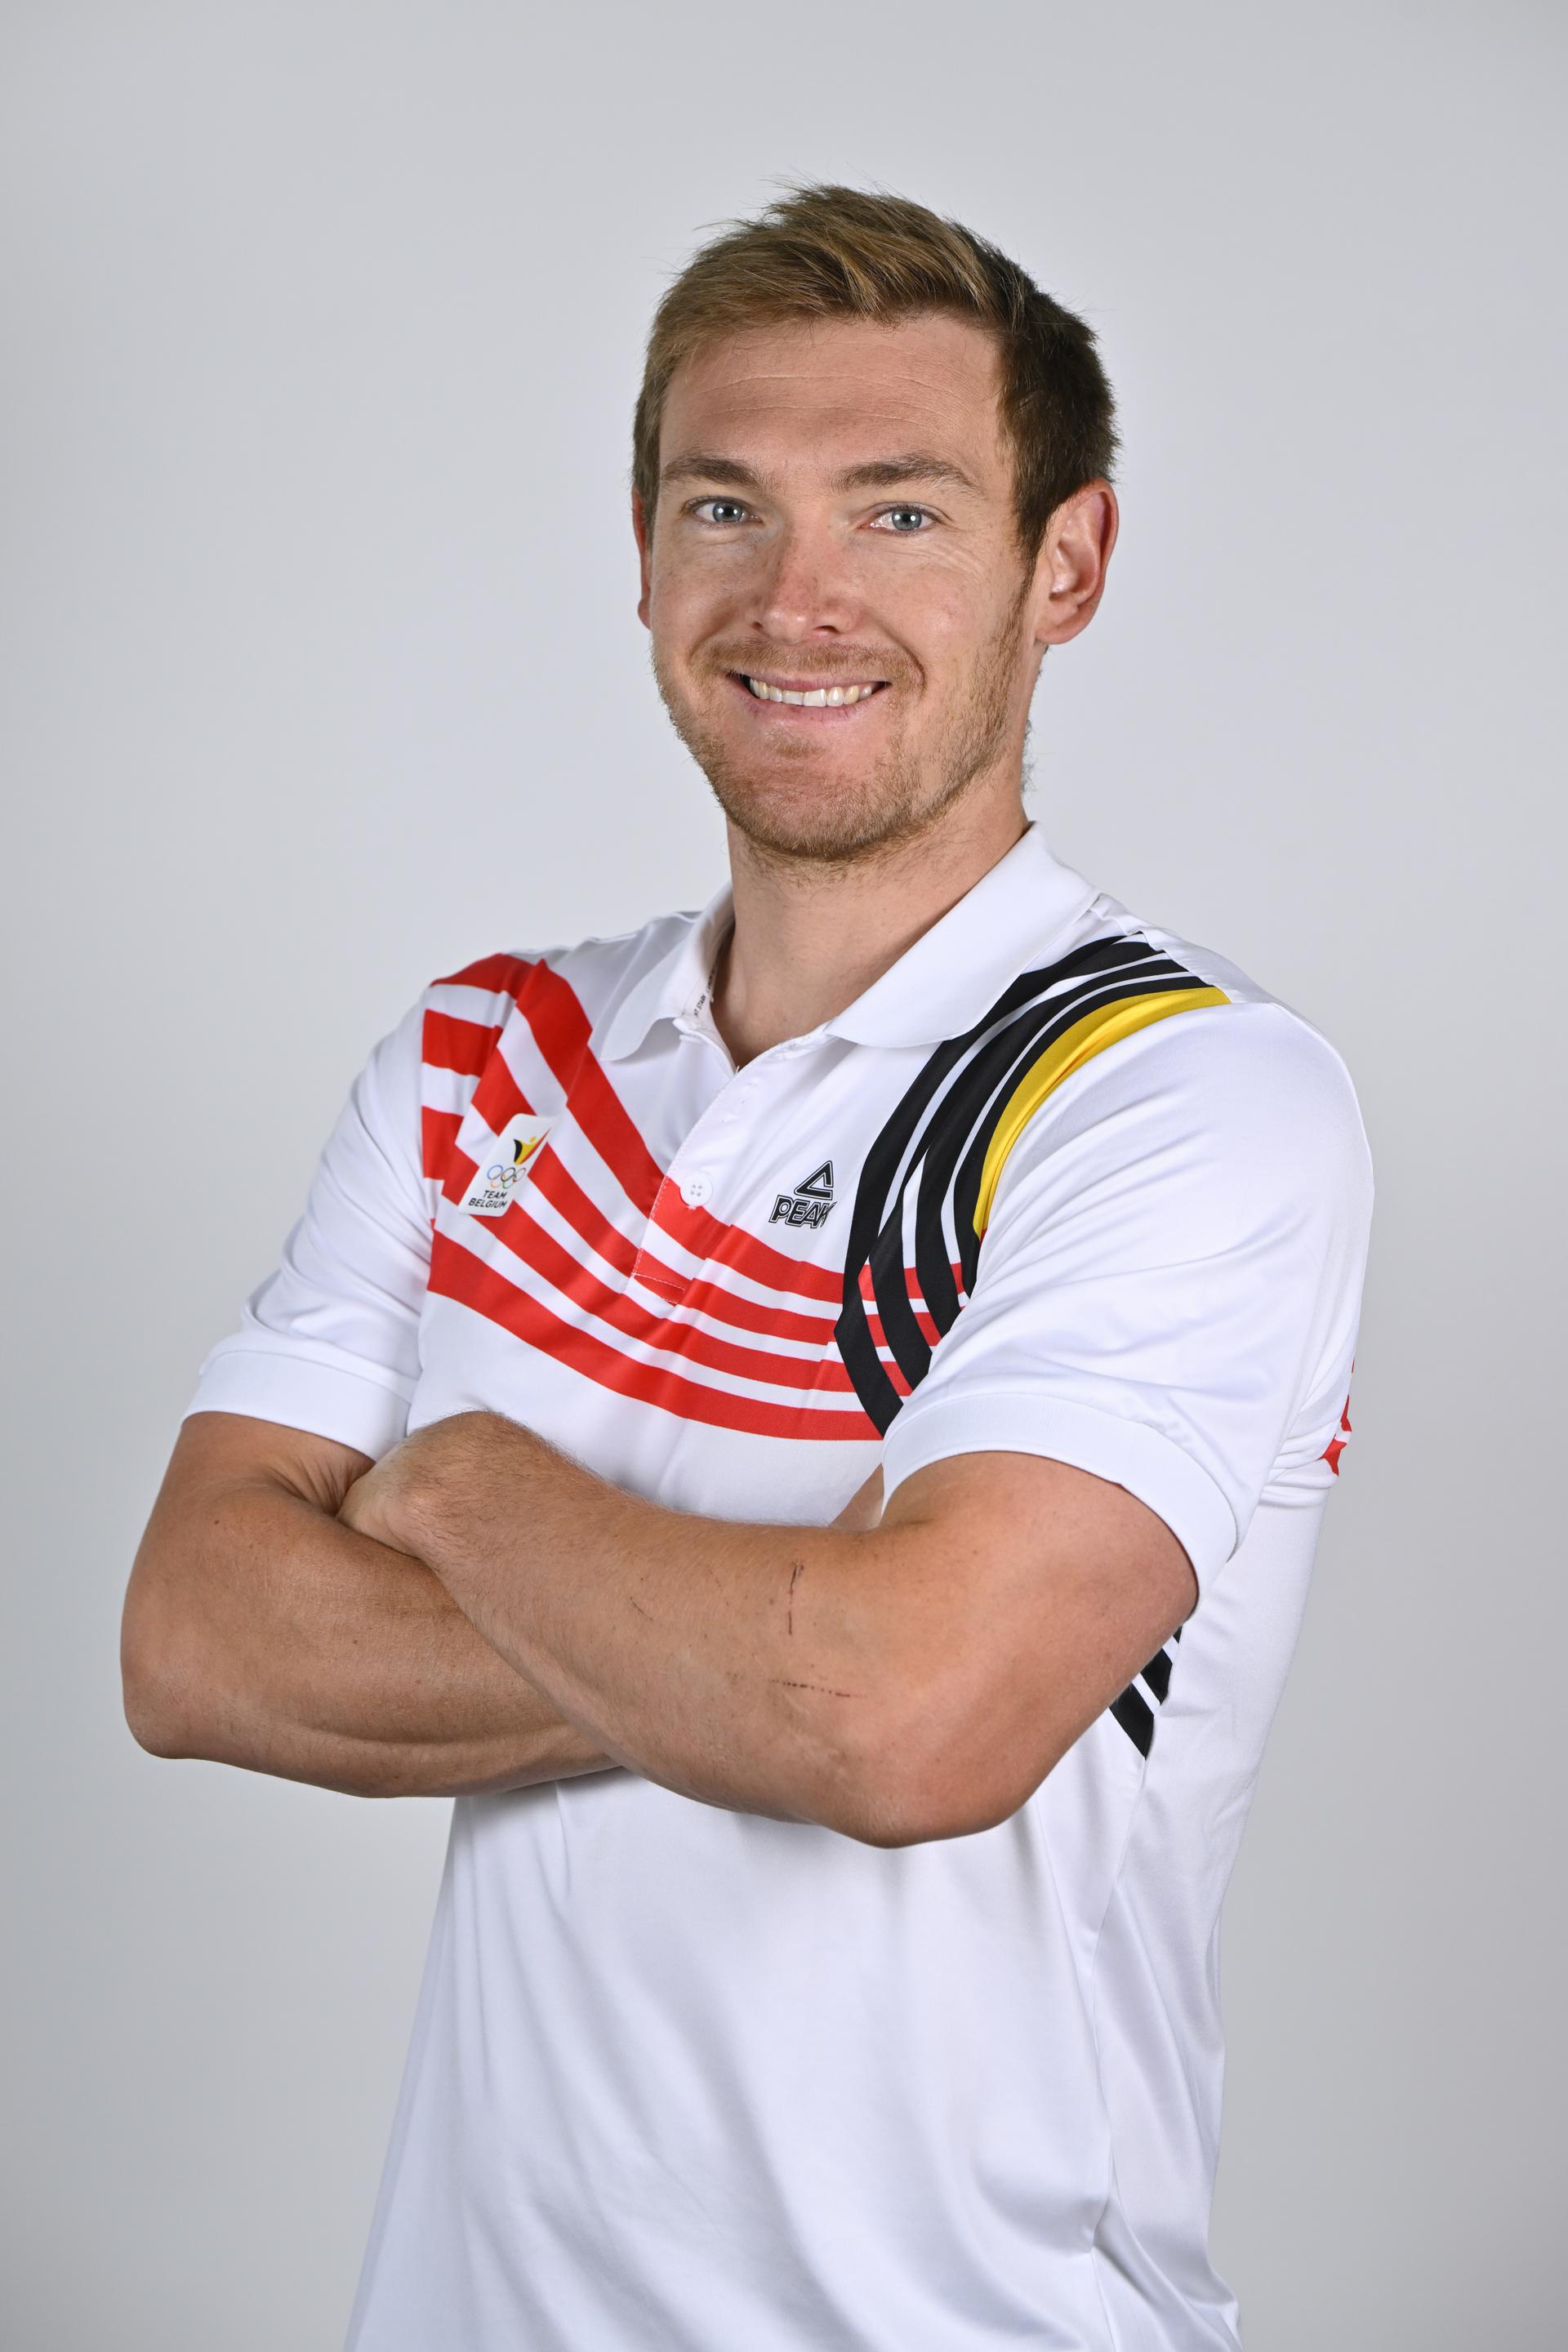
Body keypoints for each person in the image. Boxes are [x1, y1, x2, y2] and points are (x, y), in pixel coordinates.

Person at [121, 183, 1373, 2351]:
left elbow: (906, 1719)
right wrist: (775, 1633)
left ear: (1061, 561)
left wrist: (460, 1491)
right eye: (726, 504)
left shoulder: (1180, 1095)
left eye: (897, 515)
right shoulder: (479, 1056)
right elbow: (198, 1643)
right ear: (641, 555)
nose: (797, 599)